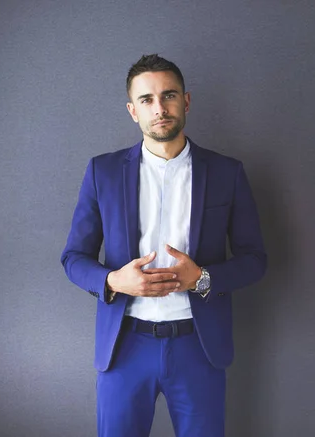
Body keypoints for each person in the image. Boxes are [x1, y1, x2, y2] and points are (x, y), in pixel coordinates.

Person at [61, 54, 267, 437]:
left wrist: (202, 278)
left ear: (185, 101)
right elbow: (73, 257)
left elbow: (255, 260)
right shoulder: (101, 172)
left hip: (198, 347)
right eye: (147, 100)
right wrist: (113, 282)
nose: (160, 108)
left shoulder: (226, 173)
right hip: (124, 346)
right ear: (132, 111)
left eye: (168, 96)